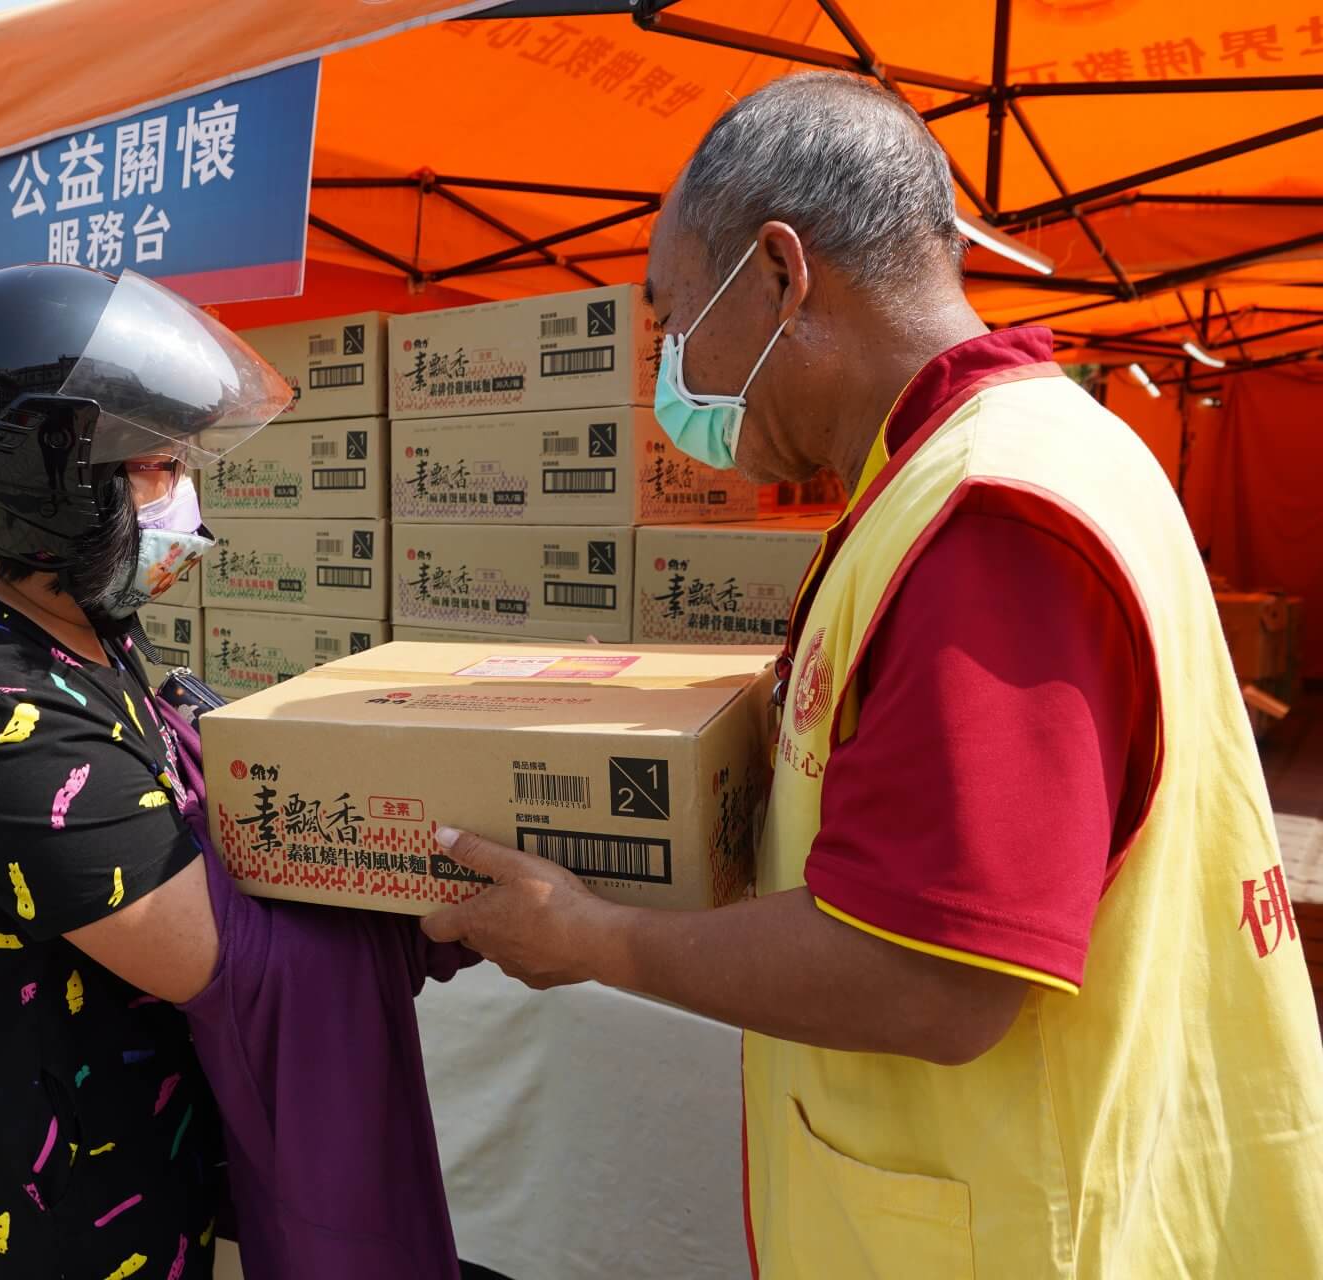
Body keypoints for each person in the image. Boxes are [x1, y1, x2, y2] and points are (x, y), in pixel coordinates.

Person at [421, 72, 1323, 1277]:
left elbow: (929, 974)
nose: (668, 368)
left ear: (783, 274)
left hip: (1019, 1231)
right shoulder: (991, 462)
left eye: (673, 316)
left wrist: (592, 936)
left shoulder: (990, 516)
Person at [0, 263, 469, 1280]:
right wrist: (436, 891)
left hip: (133, 1175)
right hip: (42, 1231)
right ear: (31, 480)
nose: (187, 501)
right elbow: (231, 957)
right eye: (155, 468)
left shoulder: (75, 625)